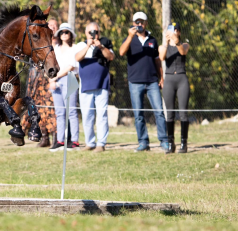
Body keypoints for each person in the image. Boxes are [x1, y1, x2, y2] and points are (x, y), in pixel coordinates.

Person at [119, 12, 168, 152]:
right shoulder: (129, 39)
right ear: (133, 23)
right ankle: (143, 142)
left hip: (152, 82)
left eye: (141, 22)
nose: (139, 25)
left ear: (146, 23)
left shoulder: (152, 40)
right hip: (135, 82)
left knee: (159, 112)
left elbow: (157, 60)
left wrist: (162, 77)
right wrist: (130, 36)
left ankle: (164, 141)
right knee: (139, 115)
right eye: (136, 22)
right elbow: (121, 52)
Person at [75, 22, 115, 152]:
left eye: (96, 32)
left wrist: (101, 47)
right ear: (85, 33)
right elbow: (77, 58)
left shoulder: (105, 43)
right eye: (91, 32)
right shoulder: (81, 45)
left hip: (102, 84)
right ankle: (89, 142)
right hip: (85, 86)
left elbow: (111, 57)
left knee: (102, 114)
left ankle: (101, 143)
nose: (94, 34)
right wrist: (88, 45)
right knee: (87, 115)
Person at [21, 19, 58, 147]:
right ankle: (44, 136)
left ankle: (56, 137)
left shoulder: (58, 44)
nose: (52, 27)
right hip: (35, 76)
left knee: (51, 108)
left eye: (54, 26)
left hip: (50, 78)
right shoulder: (41, 40)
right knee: (38, 107)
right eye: (50, 25)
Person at [159, 23, 190, 154]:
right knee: (169, 114)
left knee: (183, 113)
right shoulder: (163, 46)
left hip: (182, 79)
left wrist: (177, 41)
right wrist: (166, 42)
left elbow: (182, 51)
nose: (174, 32)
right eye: (172, 29)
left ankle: (184, 143)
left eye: (176, 30)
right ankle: (171, 143)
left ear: (179, 32)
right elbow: (161, 57)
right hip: (169, 79)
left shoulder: (184, 44)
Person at [48, 23, 80, 151]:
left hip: (70, 79)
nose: (64, 34)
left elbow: (70, 67)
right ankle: (60, 141)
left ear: (71, 34)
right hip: (56, 81)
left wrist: (55, 78)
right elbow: (51, 65)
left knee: (71, 111)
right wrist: (51, 80)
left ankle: (74, 141)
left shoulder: (75, 48)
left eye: (66, 32)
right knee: (60, 112)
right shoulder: (55, 48)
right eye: (62, 32)